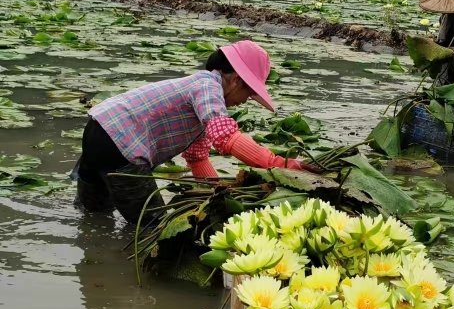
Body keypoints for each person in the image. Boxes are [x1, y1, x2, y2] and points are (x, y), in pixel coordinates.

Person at [72, 40, 315, 224]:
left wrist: (215, 195)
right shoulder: (207, 86)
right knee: (153, 224)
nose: (244, 101)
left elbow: (197, 158)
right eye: (249, 95)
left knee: (93, 214)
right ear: (237, 81)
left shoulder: (201, 100)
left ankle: (95, 257)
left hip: (98, 130)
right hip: (120, 145)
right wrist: (278, 164)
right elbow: (224, 137)